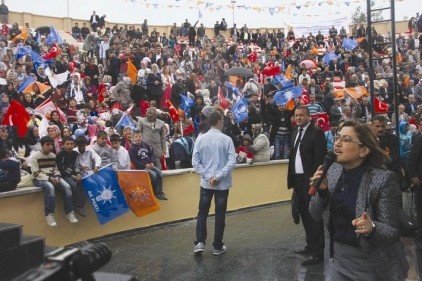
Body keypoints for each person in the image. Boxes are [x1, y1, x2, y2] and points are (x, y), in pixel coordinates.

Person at [309, 121, 409, 280]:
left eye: (346, 140)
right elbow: (314, 214)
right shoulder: (333, 171)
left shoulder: (383, 179)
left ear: (364, 150)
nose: (338, 143)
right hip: (337, 260)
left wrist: (372, 227)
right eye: (338, 137)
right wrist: (322, 191)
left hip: (372, 263)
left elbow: (391, 231)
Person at [192, 110, 237, 255]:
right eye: (222, 121)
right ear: (219, 121)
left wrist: (208, 176)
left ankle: (200, 242)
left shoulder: (200, 139)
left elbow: (195, 162)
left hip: (206, 183)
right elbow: (232, 162)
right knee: (220, 214)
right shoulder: (226, 139)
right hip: (221, 184)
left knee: (202, 212)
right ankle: (217, 246)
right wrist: (217, 177)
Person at [288, 106, 326, 265]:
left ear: (309, 116)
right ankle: (310, 245)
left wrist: (317, 181)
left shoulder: (317, 133)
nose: (298, 118)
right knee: (303, 212)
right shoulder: (295, 133)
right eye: (296, 115)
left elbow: (320, 159)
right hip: (298, 180)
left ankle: (318, 251)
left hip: (310, 179)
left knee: (314, 215)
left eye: (301, 115)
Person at [31, 136, 78, 227]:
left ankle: (69, 212)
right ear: (42, 146)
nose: (50, 147)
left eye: (52, 145)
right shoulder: (35, 156)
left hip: (52, 177)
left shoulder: (53, 156)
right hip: (40, 178)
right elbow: (35, 172)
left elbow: (56, 169)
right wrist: (49, 179)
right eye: (47, 145)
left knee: (67, 186)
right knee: (50, 187)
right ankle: (49, 214)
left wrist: (56, 176)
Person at [129, 130, 167, 200]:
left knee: (159, 173)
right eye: (136, 136)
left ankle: (159, 192)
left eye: (139, 136)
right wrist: (145, 165)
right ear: (133, 138)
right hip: (141, 168)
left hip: (150, 165)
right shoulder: (132, 149)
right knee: (153, 175)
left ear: (142, 137)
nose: (138, 138)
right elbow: (135, 161)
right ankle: (154, 192)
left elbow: (151, 155)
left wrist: (152, 162)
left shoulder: (146, 145)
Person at [56, 137, 86, 217]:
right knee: (72, 185)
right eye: (67, 144)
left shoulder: (75, 154)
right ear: (63, 145)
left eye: (72, 144)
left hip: (74, 174)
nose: (70, 146)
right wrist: (72, 176)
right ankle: (75, 206)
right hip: (64, 175)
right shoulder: (60, 155)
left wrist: (78, 173)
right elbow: (61, 170)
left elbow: (76, 165)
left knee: (85, 183)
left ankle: (79, 205)